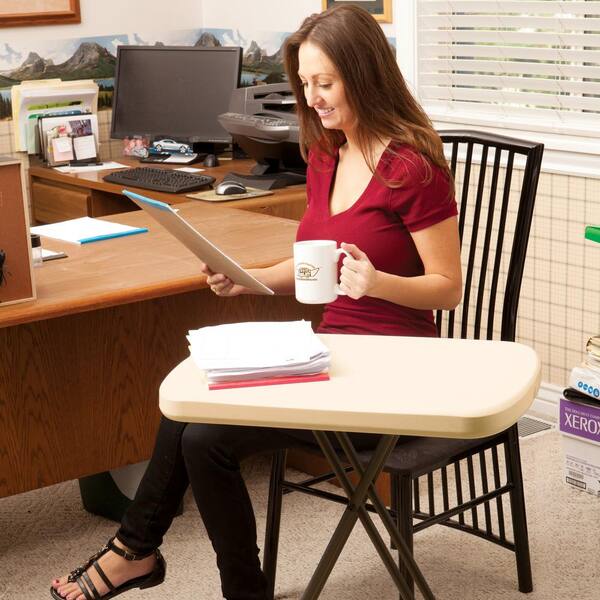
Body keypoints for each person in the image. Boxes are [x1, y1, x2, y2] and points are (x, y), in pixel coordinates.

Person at [51, 5, 461, 600]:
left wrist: (379, 284)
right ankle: (167, 564)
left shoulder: (411, 167)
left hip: (396, 372)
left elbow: (448, 288)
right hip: (332, 356)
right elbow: (315, 269)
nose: (313, 99)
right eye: (306, 84)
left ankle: (141, 558)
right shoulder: (328, 154)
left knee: (203, 436)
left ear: (365, 75)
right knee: (194, 402)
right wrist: (248, 279)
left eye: (326, 83)